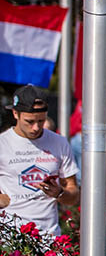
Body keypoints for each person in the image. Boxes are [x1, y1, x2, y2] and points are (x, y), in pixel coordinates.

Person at [0, 85, 80, 242]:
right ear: (15, 113)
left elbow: (74, 195)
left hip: (49, 237)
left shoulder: (59, 142)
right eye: (29, 121)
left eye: (41, 121)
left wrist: (60, 193)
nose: (36, 127)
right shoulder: (2, 143)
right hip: (9, 237)